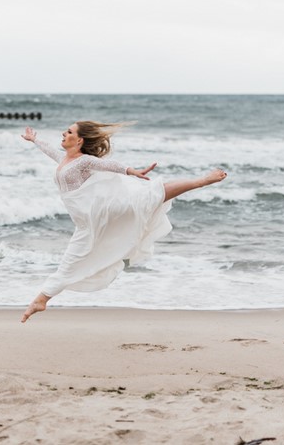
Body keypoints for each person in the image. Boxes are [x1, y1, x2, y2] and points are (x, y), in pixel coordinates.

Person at [20, 121, 227, 322]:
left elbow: (107, 164)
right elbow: (49, 150)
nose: (64, 134)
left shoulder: (83, 161)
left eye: (69, 132)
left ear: (80, 140)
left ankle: (201, 181)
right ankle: (41, 299)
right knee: (71, 260)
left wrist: (131, 171)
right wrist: (35, 140)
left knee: (152, 194)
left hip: (101, 212)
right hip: (84, 222)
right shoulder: (64, 159)